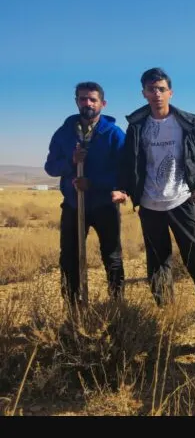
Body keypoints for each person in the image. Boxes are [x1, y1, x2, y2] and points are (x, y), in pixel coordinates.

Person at [117, 67, 195, 318]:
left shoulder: (190, 123)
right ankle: (166, 311)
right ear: (144, 93)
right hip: (150, 203)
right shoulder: (137, 126)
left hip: (183, 198)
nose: (157, 94)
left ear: (170, 92)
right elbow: (130, 161)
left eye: (161, 89)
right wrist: (125, 189)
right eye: (151, 89)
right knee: (157, 259)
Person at [44, 81, 127, 306]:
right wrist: (71, 163)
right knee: (69, 257)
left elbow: (125, 171)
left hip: (104, 205)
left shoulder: (114, 134)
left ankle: (117, 305)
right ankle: (73, 306)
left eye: (92, 99)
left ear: (103, 103)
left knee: (112, 256)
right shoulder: (63, 134)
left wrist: (94, 184)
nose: (87, 103)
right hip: (73, 204)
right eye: (83, 99)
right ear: (76, 102)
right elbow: (50, 167)